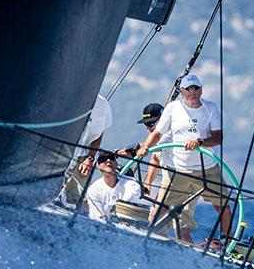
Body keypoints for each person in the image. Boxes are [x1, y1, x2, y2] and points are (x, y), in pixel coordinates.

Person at [137, 74, 232, 243]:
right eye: (188, 89)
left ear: (201, 90)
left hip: (207, 169)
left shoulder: (211, 108)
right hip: (177, 170)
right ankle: (149, 240)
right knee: (160, 208)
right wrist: (145, 147)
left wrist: (200, 141)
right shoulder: (173, 108)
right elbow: (157, 133)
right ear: (181, 91)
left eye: (196, 88)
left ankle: (228, 241)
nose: (192, 92)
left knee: (223, 205)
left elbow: (218, 138)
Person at [133, 103, 196, 234]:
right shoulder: (159, 136)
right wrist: (148, 182)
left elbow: (147, 146)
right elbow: (155, 158)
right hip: (172, 182)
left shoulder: (171, 132)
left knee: (175, 225)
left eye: (151, 124)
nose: (149, 128)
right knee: (159, 221)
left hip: (187, 182)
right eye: (146, 125)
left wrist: (126, 151)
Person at [61, 94, 112, 204]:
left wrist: (90, 158)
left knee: (75, 200)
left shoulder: (102, 104)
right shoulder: (66, 93)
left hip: (83, 157)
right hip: (60, 150)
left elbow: (99, 134)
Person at [86, 151, 142, 221]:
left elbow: (126, 209)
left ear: (116, 164)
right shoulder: (93, 189)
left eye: (111, 158)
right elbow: (96, 216)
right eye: (103, 159)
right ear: (98, 167)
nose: (108, 160)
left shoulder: (132, 183)